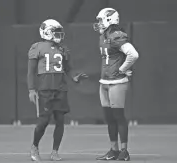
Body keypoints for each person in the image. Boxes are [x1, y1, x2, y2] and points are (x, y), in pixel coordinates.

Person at [27, 19, 87, 161]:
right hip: (45, 89)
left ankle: (55, 151)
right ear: (47, 32)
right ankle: (34, 146)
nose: (59, 35)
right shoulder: (37, 47)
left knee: (60, 121)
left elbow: (67, 68)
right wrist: (31, 89)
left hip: (60, 89)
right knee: (43, 121)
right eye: (55, 32)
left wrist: (74, 77)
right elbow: (31, 71)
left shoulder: (62, 49)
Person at [93, 8, 139, 161]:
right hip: (104, 81)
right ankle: (114, 150)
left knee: (118, 116)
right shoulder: (103, 36)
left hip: (117, 82)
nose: (99, 23)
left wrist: (123, 69)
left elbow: (133, 54)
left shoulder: (116, 36)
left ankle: (124, 151)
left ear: (109, 19)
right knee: (109, 118)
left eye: (101, 20)